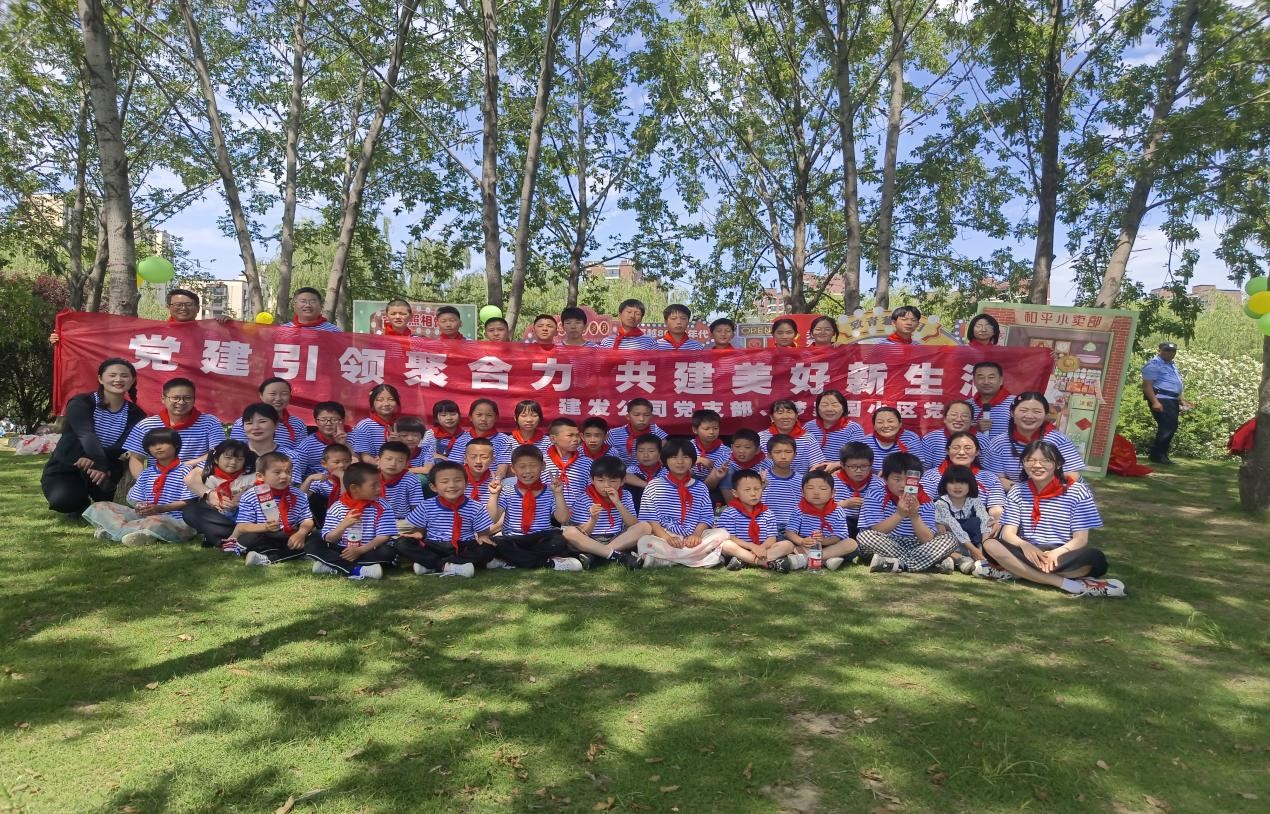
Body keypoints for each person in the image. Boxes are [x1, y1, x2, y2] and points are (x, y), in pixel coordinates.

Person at [979, 440, 1125, 597]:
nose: (1037, 465)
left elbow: (1081, 539)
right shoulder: (1017, 491)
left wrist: (1056, 553)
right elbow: (1008, 534)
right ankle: (1066, 583)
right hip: (1029, 552)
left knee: (1095, 558)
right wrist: (1025, 546)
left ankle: (1016, 570)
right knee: (990, 545)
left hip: (1063, 554)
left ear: (1058, 464)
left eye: (1045, 460)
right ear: (1023, 464)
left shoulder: (1077, 491)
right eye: (1030, 460)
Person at [42, 358, 146, 516]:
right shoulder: (81, 402)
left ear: (132, 380)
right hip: (69, 463)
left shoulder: (136, 414)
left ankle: (100, 496)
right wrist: (96, 460)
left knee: (104, 502)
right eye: (112, 375)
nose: (118, 379)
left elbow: (122, 445)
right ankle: (79, 503)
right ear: (100, 378)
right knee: (63, 501)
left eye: (124, 376)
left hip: (106, 466)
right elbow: (85, 434)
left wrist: (97, 462)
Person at [183, 403, 288, 549]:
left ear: (276, 424)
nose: (255, 427)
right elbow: (190, 479)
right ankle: (249, 536)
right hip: (229, 513)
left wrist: (247, 496)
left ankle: (233, 537)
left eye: (262, 421)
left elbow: (288, 486)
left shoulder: (287, 456)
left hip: (265, 509)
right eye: (249, 423)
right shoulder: (233, 450)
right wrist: (211, 495)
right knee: (192, 512)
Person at [856, 452, 959, 574]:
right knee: (865, 537)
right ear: (885, 478)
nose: (903, 484)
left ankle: (898, 564)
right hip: (886, 541)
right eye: (897, 479)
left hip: (917, 544)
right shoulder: (875, 494)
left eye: (909, 480)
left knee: (950, 538)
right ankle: (928, 564)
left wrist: (915, 516)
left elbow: (927, 539)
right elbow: (877, 529)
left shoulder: (925, 501)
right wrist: (899, 514)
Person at [633, 437, 727, 568]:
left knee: (722, 533)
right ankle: (702, 558)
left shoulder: (700, 487)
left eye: (685, 457)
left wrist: (695, 535)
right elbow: (650, 518)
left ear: (693, 460)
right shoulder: (654, 485)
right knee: (644, 541)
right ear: (665, 460)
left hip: (693, 536)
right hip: (664, 536)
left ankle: (664, 560)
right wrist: (667, 538)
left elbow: (706, 517)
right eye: (674, 457)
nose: (680, 461)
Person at [396, 461, 496, 578]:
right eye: (444, 482)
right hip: (434, 545)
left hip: (464, 545)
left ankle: (431, 564)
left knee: (487, 548)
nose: (452, 485)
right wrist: (417, 534)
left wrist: (483, 537)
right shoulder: (426, 505)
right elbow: (418, 529)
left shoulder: (475, 507)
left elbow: (483, 533)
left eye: (457, 480)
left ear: (466, 484)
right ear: (433, 487)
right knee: (402, 543)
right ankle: (449, 565)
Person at [486, 445, 576, 571]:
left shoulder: (550, 491)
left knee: (558, 541)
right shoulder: (507, 491)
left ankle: (514, 560)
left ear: (543, 466)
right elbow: (492, 519)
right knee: (496, 543)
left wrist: (558, 494)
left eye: (533, 466)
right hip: (513, 539)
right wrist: (494, 495)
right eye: (522, 467)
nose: (528, 471)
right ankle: (545, 562)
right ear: (513, 469)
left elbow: (563, 519)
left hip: (540, 538)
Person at [305, 461, 399, 579]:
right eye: (374, 485)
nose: (379, 488)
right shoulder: (338, 507)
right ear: (354, 488)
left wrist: (360, 550)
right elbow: (329, 539)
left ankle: (332, 565)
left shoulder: (383, 506)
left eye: (380, 483)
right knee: (312, 544)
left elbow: (383, 536)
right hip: (342, 550)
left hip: (369, 549)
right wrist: (343, 525)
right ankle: (358, 569)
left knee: (389, 552)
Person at [121, 377, 225, 477]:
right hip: (159, 480)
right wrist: (143, 482)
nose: (181, 402)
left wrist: (185, 465)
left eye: (187, 398)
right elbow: (137, 458)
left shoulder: (210, 422)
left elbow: (218, 452)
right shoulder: (146, 425)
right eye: (175, 398)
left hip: (198, 478)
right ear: (163, 399)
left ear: (194, 399)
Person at [560, 455, 649, 568]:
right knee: (569, 532)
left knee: (645, 526)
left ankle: (598, 555)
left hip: (617, 538)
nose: (606, 485)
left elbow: (633, 524)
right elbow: (584, 532)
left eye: (613, 481)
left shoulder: (625, 495)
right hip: (591, 539)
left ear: (622, 481)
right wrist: (593, 519)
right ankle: (615, 555)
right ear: (592, 480)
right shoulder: (584, 498)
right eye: (600, 480)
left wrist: (618, 503)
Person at [984, 392, 1085, 492]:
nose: (1029, 416)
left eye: (1037, 411)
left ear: (1045, 415)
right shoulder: (999, 443)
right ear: (1012, 413)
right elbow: (996, 479)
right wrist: (1026, 493)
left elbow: (1072, 476)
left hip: (1057, 495)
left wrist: (1040, 493)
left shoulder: (1059, 440)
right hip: (1014, 496)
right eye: (1023, 410)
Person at [115, 428, 197, 545]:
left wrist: (159, 509)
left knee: (155, 522)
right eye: (152, 445)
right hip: (148, 516)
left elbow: (189, 501)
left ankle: (127, 533)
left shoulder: (187, 471)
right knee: (105, 508)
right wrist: (140, 506)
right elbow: (138, 498)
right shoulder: (146, 473)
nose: (158, 447)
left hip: (176, 519)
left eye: (163, 443)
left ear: (176, 445)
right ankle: (139, 534)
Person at [235, 452, 315, 567]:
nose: (284, 476)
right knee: (247, 540)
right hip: (263, 535)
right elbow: (242, 526)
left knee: (316, 536)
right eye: (277, 472)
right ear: (260, 476)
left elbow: (307, 519)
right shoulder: (250, 496)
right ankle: (298, 553)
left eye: (288, 472)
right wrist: (265, 527)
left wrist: (301, 534)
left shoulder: (299, 495)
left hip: (288, 535)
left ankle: (267, 558)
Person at [920, 430, 1005, 539]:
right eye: (956, 448)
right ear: (947, 451)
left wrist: (995, 520)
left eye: (968, 448)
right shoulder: (931, 476)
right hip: (943, 533)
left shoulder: (989, 478)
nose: (961, 452)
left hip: (978, 530)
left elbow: (996, 508)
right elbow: (924, 506)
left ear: (977, 451)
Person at [50, 288, 202, 345]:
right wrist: (67, 338)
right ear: (168, 307)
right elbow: (109, 342)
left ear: (197, 308)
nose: (183, 308)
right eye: (178, 305)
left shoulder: (209, 336)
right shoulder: (155, 333)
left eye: (189, 304)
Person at [784, 470, 859, 571]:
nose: (816, 493)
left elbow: (839, 535)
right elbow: (790, 532)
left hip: (831, 546)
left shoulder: (837, 510)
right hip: (807, 545)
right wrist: (801, 541)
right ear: (802, 492)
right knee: (791, 546)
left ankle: (811, 559)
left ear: (832, 493)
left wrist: (823, 541)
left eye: (823, 489)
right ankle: (826, 561)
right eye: (810, 488)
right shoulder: (799, 510)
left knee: (851, 543)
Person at [716, 469, 782, 571]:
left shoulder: (768, 513)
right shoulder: (730, 513)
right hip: (739, 549)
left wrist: (761, 548)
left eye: (757, 489)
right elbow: (730, 537)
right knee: (726, 545)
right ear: (735, 493)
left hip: (762, 549)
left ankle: (745, 561)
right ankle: (762, 562)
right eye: (747, 490)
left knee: (787, 545)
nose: (753, 493)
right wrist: (752, 547)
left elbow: (771, 539)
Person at [934, 465, 991, 574]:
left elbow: (985, 521)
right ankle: (958, 559)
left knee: (979, 523)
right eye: (952, 483)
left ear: (970, 484)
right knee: (941, 533)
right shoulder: (941, 503)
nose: (957, 487)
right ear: (945, 484)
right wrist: (974, 550)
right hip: (953, 543)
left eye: (963, 483)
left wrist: (985, 546)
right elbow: (954, 526)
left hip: (975, 543)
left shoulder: (975, 501)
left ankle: (967, 560)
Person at [1142, 341, 1189, 464]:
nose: (1170, 353)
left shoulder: (1171, 365)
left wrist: (1181, 400)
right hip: (1161, 398)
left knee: (1170, 426)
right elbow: (1147, 386)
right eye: (1167, 350)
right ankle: (1157, 455)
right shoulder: (1154, 364)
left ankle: (1161, 454)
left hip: (1172, 399)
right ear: (1159, 351)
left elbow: (1174, 385)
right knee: (1168, 426)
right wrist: (1155, 402)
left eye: (1173, 351)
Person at [228, 378, 308, 447]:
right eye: (272, 394)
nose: (278, 398)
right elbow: (236, 451)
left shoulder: (298, 424)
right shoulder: (246, 422)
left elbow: (300, 454)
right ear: (261, 395)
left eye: (284, 394)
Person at [759, 399, 826, 474]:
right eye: (780, 413)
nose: (785, 417)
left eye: (789, 412)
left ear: (796, 416)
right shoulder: (761, 438)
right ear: (772, 417)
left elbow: (818, 465)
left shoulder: (808, 439)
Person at [832, 441, 878, 540]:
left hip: (868, 524)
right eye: (853, 467)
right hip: (841, 523)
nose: (859, 470)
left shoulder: (878, 484)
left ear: (871, 464)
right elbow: (821, 507)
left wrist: (869, 505)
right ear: (842, 464)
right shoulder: (833, 482)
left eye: (864, 466)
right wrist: (843, 504)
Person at [300, 442, 352, 529]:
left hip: (348, 517)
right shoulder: (322, 479)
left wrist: (343, 478)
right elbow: (300, 499)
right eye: (336, 462)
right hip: (326, 518)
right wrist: (309, 479)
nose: (342, 465)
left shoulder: (355, 477)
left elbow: (345, 502)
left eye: (346, 461)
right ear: (324, 464)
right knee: (314, 498)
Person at [348, 384, 403, 464]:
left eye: (391, 399)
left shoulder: (401, 424)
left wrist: (397, 444)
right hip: (373, 468)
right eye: (380, 400)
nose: (386, 403)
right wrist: (381, 467)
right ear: (372, 403)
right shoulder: (365, 425)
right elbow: (365, 457)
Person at [293, 401, 350, 479]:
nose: (328, 423)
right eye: (323, 419)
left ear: (342, 421)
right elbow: (296, 474)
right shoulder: (307, 445)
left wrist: (344, 444)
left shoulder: (351, 437)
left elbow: (357, 466)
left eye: (334, 419)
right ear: (316, 421)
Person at [919, 400, 982, 469]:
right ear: (944, 419)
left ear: (972, 421)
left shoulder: (982, 440)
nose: (958, 419)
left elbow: (986, 470)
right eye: (954, 415)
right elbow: (925, 469)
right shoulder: (931, 439)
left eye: (964, 416)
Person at [607, 398, 668, 469]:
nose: (641, 419)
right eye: (636, 415)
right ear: (628, 417)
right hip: (621, 473)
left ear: (651, 416)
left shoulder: (657, 433)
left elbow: (663, 460)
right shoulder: (613, 434)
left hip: (649, 473)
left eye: (646, 415)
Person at [804, 390, 863, 461]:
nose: (829, 409)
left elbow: (857, 456)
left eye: (835, 405)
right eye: (824, 405)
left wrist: (836, 465)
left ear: (843, 408)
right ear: (817, 408)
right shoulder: (809, 427)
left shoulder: (854, 428)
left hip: (843, 467)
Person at [760, 435, 802, 535]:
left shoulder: (802, 480)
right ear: (769, 455)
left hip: (794, 528)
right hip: (767, 527)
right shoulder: (760, 478)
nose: (783, 456)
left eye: (788, 452)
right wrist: (761, 488)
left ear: (795, 454)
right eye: (777, 452)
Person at [541, 418, 590, 504]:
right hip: (548, 511)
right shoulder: (542, 462)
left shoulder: (587, 463)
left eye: (577, 435)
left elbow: (591, 493)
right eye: (570, 435)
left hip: (578, 511)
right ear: (553, 439)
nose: (576, 439)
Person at [861, 405, 922, 473]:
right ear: (874, 426)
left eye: (890, 421)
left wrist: (890, 473)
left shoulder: (910, 438)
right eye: (880, 422)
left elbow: (917, 468)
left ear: (900, 423)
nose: (886, 426)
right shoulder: (865, 442)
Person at [449, 399, 510, 465]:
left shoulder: (504, 440)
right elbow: (453, 466)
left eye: (489, 415)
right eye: (479, 415)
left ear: (496, 418)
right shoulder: (461, 440)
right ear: (470, 417)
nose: (483, 419)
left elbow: (503, 466)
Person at [376, 440, 425, 521]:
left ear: (406, 464)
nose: (393, 464)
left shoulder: (411, 480)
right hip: (376, 519)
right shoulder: (370, 478)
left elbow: (417, 507)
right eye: (389, 459)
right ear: (378, 460)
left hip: (401, 521)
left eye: (400, 461)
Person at [719, 428, 767, 503]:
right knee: (728, 472)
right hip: (733, 494)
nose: (741, 451)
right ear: (732, 447)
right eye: (737, 446)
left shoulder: (765, 463)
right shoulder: (726, 458)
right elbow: (709, 484)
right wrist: (717, 477)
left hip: (755, 494)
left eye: (747, 447)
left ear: (757, 450)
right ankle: (732, 506)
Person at [690, 409, 729, 497]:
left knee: (727, 473)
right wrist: (697, 460)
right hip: (690, 481)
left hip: (711, 484)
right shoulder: (688, 446)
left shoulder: (725, 451)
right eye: (706, 428)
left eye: (715, 428)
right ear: (695, 430)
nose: (711, 432)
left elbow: (712, 481)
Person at [624, 434, 666, 511]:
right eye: (641, 451)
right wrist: (649, 486)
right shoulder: (633, 469)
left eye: (651, 451)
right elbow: (624, 476)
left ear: (660, 453)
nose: (645, 455)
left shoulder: (666, 471)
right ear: (636, 454)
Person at [971, 362, 1012, 438]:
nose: (986, 382)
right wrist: (974, 428)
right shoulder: (966, 405)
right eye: (981, 377)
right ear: (974, 381)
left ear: (1001, 380)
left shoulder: (1015, 403)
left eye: (991, 377)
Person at [461, 437, 496, 504]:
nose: (478, 461)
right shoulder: (455, 479)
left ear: (492, 459)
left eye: (484, 457)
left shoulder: (495, 482)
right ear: (465, 459)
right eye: (473, 457)